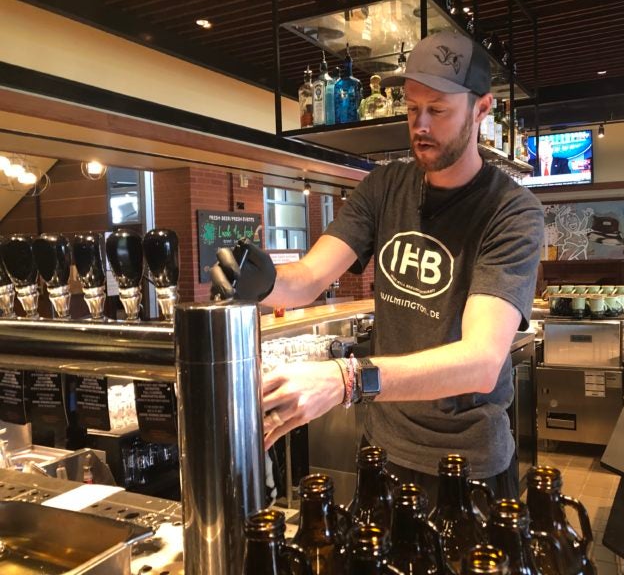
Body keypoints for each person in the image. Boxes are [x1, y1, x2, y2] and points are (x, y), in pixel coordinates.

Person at [211, 30, 544, 500]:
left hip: (466, 467)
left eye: (438, 110)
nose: (420, 124)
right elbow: (307, 279)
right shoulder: (385, 187)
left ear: (482, 109)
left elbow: (480, 362)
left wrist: (348, 379)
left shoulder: (511, 212)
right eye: (411, 108)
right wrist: (263, 280)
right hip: (384, 451)